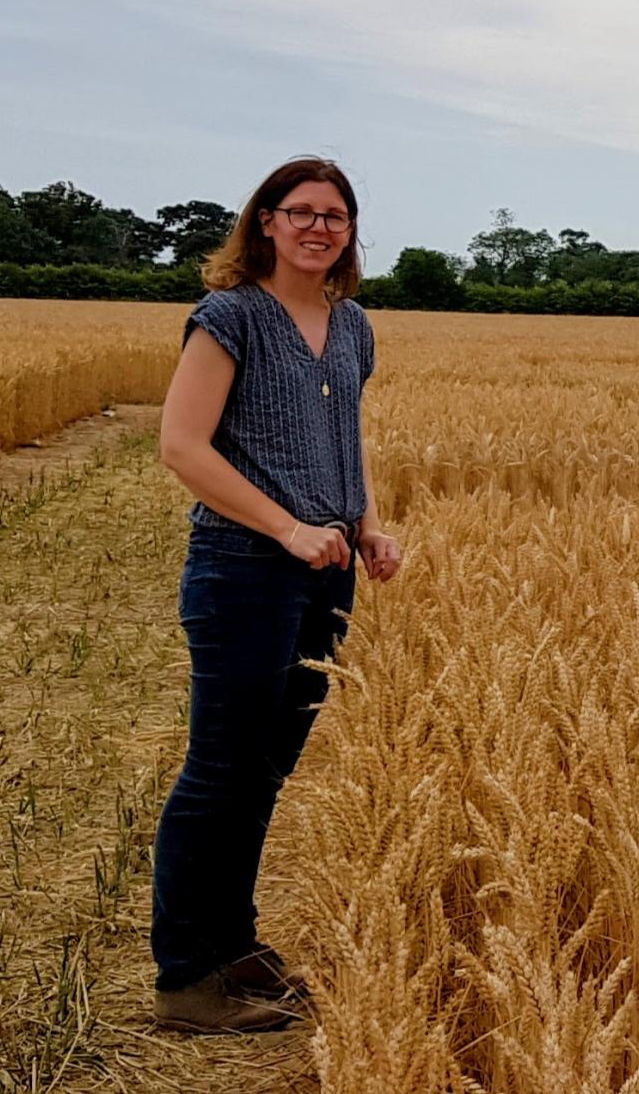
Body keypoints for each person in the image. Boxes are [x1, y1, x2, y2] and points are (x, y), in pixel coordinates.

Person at [151, 156, 401, 1033]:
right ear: (265, 221)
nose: (318, 227)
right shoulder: (230, 318)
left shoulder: (354, 324)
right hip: (243, 569)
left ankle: (234, 944)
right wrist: (287, 528)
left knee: (268, 765)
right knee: (219, 770)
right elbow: (182, 446)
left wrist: (365, 522)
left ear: (349, 231)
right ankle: (186, 975)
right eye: (300, 211)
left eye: (335, 215)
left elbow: (347, 436)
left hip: (326, 573)